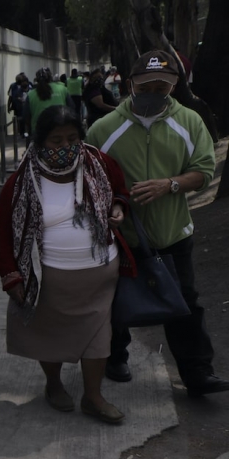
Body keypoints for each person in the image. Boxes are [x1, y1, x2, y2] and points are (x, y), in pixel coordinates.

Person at [86, 50, 228, 396]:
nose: (153, 92)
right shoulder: (103, 129)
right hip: (123, 236)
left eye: (162, 87)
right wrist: (114, 207)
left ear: (174, 87)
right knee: (116, 300)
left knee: (185, 302)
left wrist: (170, 184)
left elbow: (204, 171)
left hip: (173, 232)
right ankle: (115, 357)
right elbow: (90, 181)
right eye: (146, 85)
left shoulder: (190, 122)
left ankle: (197, 372)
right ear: (129, 84)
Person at [0, 106, 131, 423]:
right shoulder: (19, 183)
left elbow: (120, 191)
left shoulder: (99, 164)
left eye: (72, 138)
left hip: (100, 277)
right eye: (56, 140)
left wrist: (119, 208)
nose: (65, 146)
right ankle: (54, 385)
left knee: (99, 336)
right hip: (48, 282)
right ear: (40, 142)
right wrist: (12, 278)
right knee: (49, 336)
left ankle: (93, 398)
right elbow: (2, 235)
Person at [24, 67, 71, 138]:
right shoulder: (62, 89)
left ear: (37, 79)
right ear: (51, 78)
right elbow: (71, 109)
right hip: (61, 129)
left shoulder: (31, 94)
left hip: (38, 131)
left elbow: (26, 116)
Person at [8, 73, 30, 137]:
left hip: (28, 107)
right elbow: (10, 97)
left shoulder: (29, 86)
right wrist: (9, 106)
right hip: (18, 107)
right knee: (20, 121)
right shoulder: (13, 86)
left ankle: (26, 133)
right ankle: (21, 133)